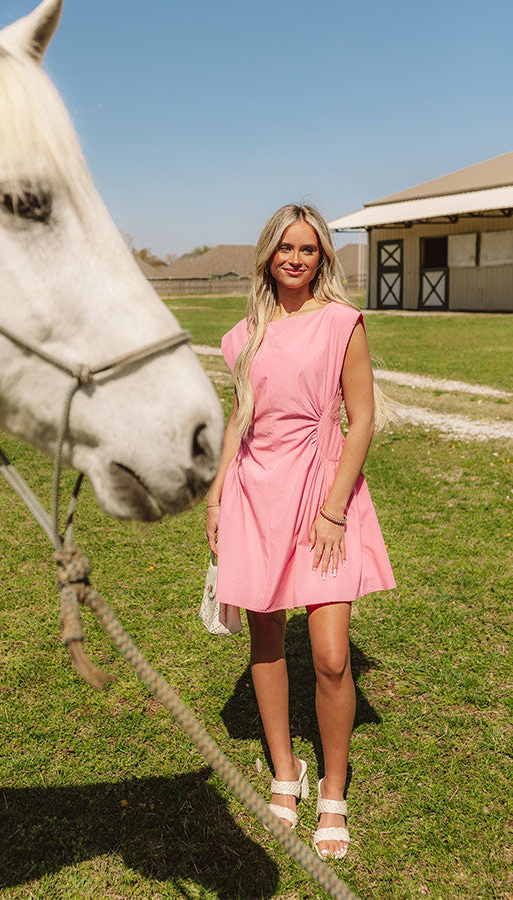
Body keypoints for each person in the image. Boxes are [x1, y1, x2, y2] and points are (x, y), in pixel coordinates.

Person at [205, 204, 395, 860]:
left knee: (331, 656)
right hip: (255, 499)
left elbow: (362, 418)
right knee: (264, 640)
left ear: (322, 259)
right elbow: (240, 420)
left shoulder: (343, 323)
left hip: (323, 498)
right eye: (285, 247)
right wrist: (215, 496)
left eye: (308, 249)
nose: (295, 258)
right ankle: (287, 772)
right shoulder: (245, 333)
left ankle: (334, 791)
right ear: (267, 256)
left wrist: (335, 508)